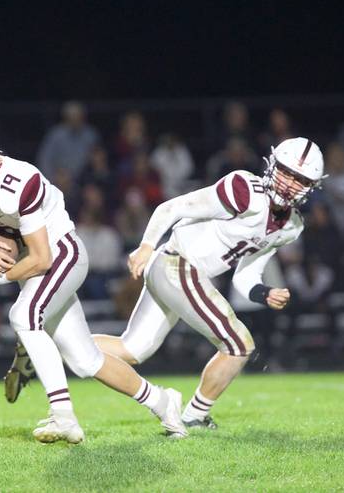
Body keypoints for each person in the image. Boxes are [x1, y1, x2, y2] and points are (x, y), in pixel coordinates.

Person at [0, 116, 186, 444]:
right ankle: (164, 403)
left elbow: (42, 258)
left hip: (61, 252)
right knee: (85, 360)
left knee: (22, 316)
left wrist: (2, 275)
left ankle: (63, 415)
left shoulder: (18, 182)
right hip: (34, 265)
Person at [93, 137, 325, 429]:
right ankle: (194, 417)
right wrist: (146, 245)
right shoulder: (244, 190)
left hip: (180, 271)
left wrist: (264, 293)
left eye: (300, 179)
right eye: (287, 172)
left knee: (132, 349)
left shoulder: (292, 226)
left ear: (311, 187)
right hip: (177, 264)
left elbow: (246, 275)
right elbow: (172, 208)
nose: (290, 183)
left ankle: (57, 341)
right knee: (239, 345)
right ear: (272, 166)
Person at [36, 101, 100, 181]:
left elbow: (98, 160)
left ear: (83, 117)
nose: (75, 120)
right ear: (65, 118)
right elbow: (44, 160)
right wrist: (52, 178)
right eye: (72, 117)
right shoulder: (56, 135)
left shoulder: (90, 135)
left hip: (84, 179)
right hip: (58, 178)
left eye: (78, 117)